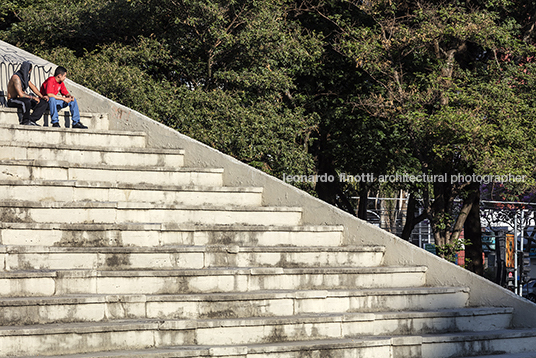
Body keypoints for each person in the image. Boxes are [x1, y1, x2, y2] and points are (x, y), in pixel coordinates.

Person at [6, 61, 49, 126]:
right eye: (29, 70)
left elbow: (32, 87)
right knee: (26, 102)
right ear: (28, 69)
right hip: (13, 100)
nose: (29, 72)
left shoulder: (25, 78)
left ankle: (32, 119)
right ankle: (25, 121)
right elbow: (20, 94)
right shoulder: (16, 77)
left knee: (43, 103)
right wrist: (33, 97)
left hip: (23, 99)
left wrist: (41, 96)